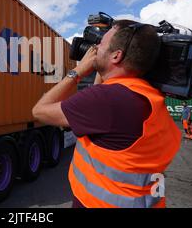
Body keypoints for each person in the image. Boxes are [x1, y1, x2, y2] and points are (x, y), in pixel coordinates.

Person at [32, 20, 182, 208]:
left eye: (101, 43)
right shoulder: (148, 96)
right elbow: (100, 110)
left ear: (116, 56)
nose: (95, 48)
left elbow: (39, 111)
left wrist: (77, 71)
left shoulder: (105, 100)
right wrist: (102, 70)